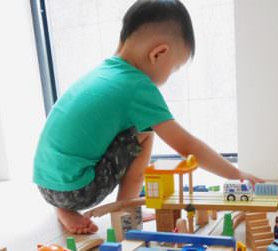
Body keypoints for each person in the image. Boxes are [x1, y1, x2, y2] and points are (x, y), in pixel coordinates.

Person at [33, 0, 262, 234]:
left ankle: (61, 209)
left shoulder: (102, 73)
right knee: (145, 133)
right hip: (78, 190)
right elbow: (187, 146)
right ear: (159, 53)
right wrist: (236, 174)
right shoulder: (137, 85)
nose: (170, 75)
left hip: (45, 184)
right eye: (174, 68)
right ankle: (127, 210)